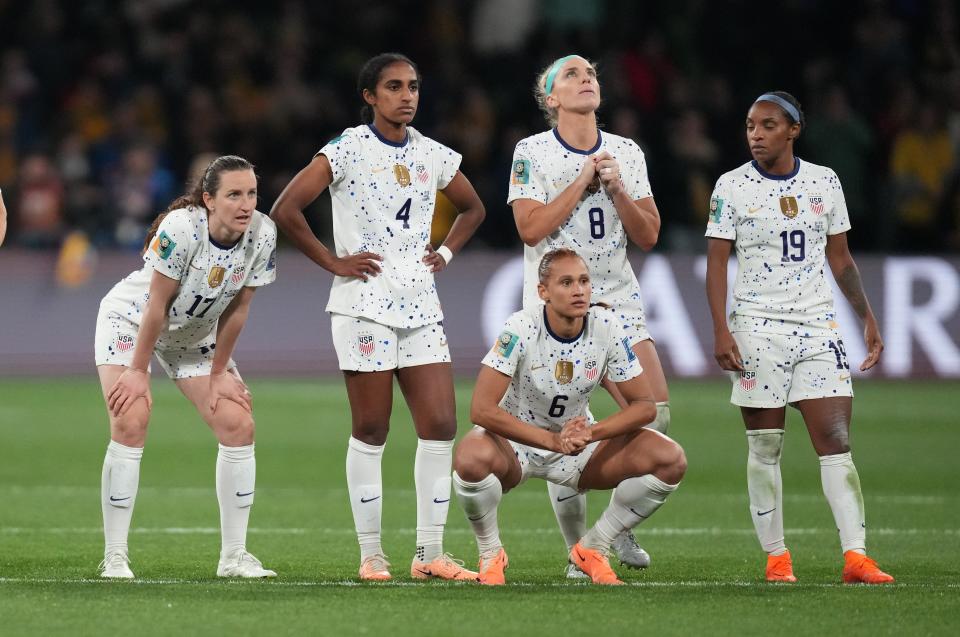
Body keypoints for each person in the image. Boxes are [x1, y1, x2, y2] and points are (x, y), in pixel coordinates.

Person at [270, 53, 485, 582]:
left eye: (413, 86)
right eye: (394, 87)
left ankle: (429, 553)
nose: (407, 95)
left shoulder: (432, 153)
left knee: (439, 424)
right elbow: (285, 209)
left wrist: (447, 254)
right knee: (372, 427)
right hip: (363, 304)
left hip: (419, 303)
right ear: (369, 96)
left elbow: (473, 208)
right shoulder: (346, 149)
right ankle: (372, 555)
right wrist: (333, 262)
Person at [705, 91, 894, 585]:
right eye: (750, 126)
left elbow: (841, 259)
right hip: (757, 327)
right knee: (765, 447)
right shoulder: (731, 187)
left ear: (793, 130)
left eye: (768, 126)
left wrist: (867, 317)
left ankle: (856, 557)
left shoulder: (825, 182)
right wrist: (722, 328)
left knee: (835, 440)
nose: (756, 134)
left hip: (817, 326)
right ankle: (777, 559)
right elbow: (716, 264)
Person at [508, 54, 669, 577]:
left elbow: (648, 235)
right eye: (572, 75)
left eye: (592, 73)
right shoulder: (531, 151)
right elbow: (530, 229)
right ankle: (581, 549)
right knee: (562, 427)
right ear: (550, 97)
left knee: (656, 414)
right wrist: (581, 182)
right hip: (554, 307)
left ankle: (612, 533)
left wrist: (617, 187)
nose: (586, 79)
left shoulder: (626, 153)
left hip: (618, 302)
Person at [452, 248, 686, 585]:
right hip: (518, 446)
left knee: (670, 459)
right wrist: (550, 440)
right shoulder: (519, 327)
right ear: (543, 292)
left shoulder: (606, 325)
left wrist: (591, 433)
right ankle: (491, 554)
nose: (579, 290)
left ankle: (593, 547)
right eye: (566, 282)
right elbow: (481, 409)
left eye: (584, 281)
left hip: (577, 445)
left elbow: (644, 407)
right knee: (470, 457)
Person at [95, 155, 277, 579]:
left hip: (193, 335)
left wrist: (218, 374)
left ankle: (233, 557)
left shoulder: (263, 234)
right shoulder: (182, 229)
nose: (246, 203)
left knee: (238, 424)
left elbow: (238, 309)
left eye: (251, 193)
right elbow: (156, 305)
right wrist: (137, 372)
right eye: (234, 194)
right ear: (209, 200)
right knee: (131, 418)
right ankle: (116, 556)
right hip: (132, 321)